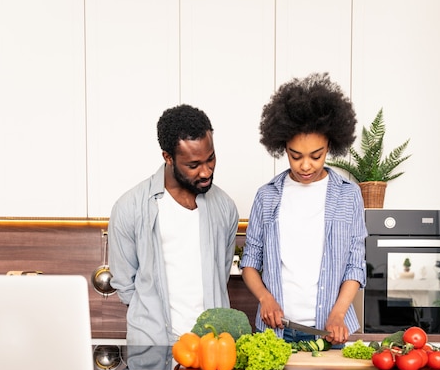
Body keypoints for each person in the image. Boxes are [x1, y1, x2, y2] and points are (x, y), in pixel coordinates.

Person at [239, 73, 367, 346]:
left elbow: (355, 266)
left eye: (316, 155)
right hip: (276, 332)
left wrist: (338, 314)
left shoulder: (349, 195)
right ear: (282, 147)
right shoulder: (267, 196)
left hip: (330, 331)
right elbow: (250, 262)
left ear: (330, 145)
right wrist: (265, 299)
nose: (305, 165)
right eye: (295, 155)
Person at [108, 104, 239, 346]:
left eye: (211, 159)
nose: (206, 171)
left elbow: (220, 275)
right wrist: (151, 323)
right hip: (152, 347)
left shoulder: (225, 207)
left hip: (213, 346)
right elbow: (125, 285)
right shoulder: (130, 207)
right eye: (193, 165)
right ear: (168, 157)